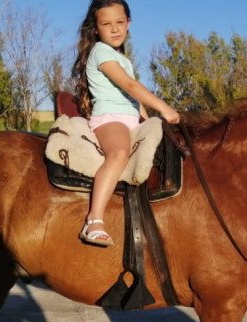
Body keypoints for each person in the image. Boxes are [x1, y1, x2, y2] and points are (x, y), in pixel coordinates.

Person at [72, 0, 180, 247]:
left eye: (120, 22)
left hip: (129, 117)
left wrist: (149, 119)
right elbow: (130, 86)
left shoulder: (121, 58)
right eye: (106, 24)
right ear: (96, 29)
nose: (114, 29)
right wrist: (163, 107)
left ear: (128, 24)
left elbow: (132, 98)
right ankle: (94, 220)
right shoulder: (100, 52)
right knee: (119, 153)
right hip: (110, 118)